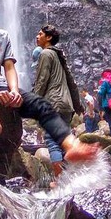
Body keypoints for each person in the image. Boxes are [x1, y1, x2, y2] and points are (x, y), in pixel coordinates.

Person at [0, 0, 96, 164]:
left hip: (0, 86)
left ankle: (71, 145)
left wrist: (14, 91)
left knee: (41, 104)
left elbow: (9, 67)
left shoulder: (3, 36)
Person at [32, 24, 83, 177]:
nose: (37, 36)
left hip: (53, 103)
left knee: (51, 140)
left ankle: (59, 179)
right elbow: (72, 83)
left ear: (48, 37)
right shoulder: (59, 56)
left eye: (40, 34)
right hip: (66, 105)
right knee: (63, 140)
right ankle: (71, 176)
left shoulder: (46, 53)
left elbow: (42, 81)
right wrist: (77, 105)